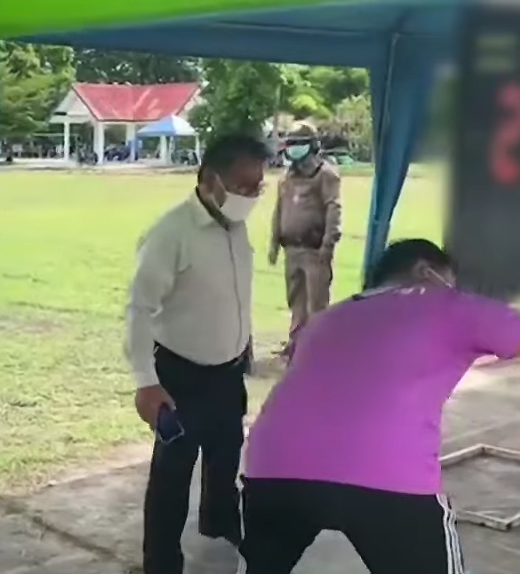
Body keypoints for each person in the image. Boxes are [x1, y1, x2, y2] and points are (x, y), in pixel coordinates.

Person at [238, 238, 520, 574]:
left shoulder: (327, 318)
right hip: (384, 471)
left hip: (272, 465)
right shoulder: (447, 303)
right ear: (423, 271)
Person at [125, 134, 269, 574]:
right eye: (243, 187)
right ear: (210, 181)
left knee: (226, 453)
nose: (251, 197)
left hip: (228, 371)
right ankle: (161, 561)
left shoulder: (234, 226)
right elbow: (139, 308)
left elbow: (234, 295)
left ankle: (219, 520)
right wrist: (146, 382)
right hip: (179, 376)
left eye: (258, 188)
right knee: (172, 473)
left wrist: (245, 345)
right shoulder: (171, 233)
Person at [267, 122, 341, 356]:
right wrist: (274, 243)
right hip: (291, 249)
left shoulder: (325, 175)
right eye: (290, 144)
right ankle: (296, 343)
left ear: (312, 145)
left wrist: (328, 243)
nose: (292, 148)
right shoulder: (287, 177)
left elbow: (333, 209)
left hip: (314, 249)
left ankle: (317, 347)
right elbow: (279, 210)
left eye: (298, 144)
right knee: (295, 300)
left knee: (316, 302)